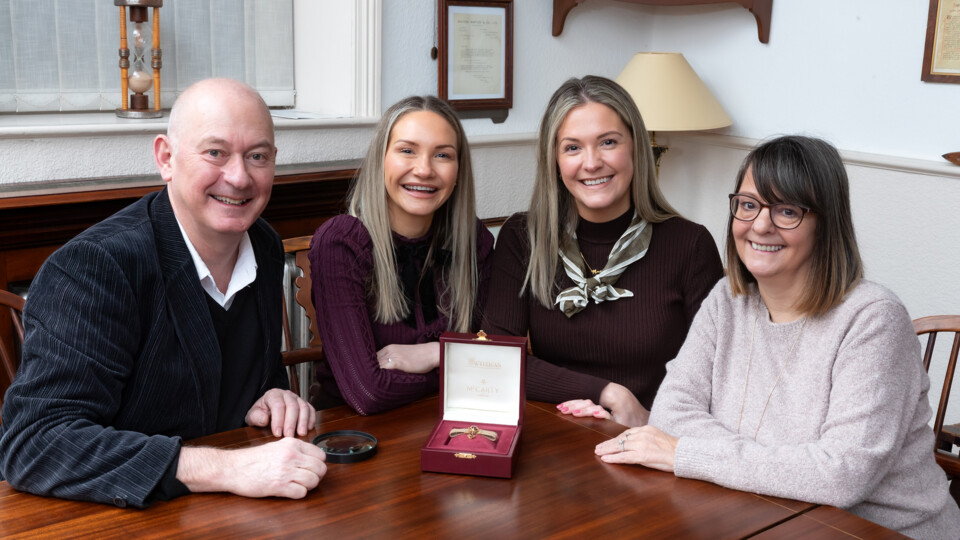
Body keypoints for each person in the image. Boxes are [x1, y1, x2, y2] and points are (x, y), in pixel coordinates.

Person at [596, 135, 960, 539]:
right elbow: (670, 413)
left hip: (878, 530)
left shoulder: (874, 320)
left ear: (826, 224)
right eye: (748, 205)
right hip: (757, 513)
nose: (760, 225)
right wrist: (787, 467)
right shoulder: (727, 299)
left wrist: (684, 452)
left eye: (787, 211)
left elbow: (840, 476)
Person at [0, 78, 327, 508]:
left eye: (257, 156)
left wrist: (270, 396)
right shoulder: (97, 266)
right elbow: (35, 442)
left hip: (228, 511)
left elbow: (231, 380)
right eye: (215, 153)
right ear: (166, 158)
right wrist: (225, 468)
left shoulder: (262, 243)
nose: (239, 176)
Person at [483, 76, 723, 427]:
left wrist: (650, 421)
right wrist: (610, 393)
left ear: (635, 147)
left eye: (608, 142)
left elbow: (716, 376)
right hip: (557, 434)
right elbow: (498, 360)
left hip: (654, 434)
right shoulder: (522, 237)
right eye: (572, 148)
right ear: (554, 159)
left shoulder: (690, 245)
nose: (592, 162)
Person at [308, 96, 493, 415]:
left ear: (458, 171)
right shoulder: (342, 242)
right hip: (356, 428)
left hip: (455, 415)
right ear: (381, 160)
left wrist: (436, 353)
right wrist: (464, 365)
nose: (424, 170)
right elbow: (368, 392)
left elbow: (498, 354)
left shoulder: (471, 238)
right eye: (407, 150)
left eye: (443, 155)